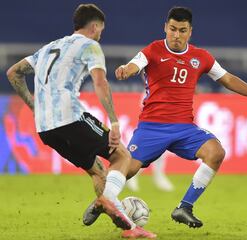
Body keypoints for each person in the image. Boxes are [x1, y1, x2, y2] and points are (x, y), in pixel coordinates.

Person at [84, 6, 247, 229]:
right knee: (126, 170)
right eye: (172, 29)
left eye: (182, 30)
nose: (176, 35)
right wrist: (126, 69)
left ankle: (185, 207)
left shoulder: (201, 57)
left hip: (184, 128)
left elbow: (228, 79)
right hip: (152, 127)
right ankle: (99, 203)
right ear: (165, 27)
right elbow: (135, 64)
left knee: (216, 152)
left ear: (190, 31)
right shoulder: (153, 50)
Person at [6, 3, 155, 239]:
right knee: (121, 156)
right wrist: (114, 123)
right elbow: (100, 82)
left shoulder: (49, 48)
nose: (100, 36)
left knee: (99, 173)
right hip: (70, 118)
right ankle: (108, 203)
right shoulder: (90, 46)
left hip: (45, 128)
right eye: (101, 31)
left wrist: (34, 106)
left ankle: (125, 225)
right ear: (94, 27)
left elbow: (13, 72)